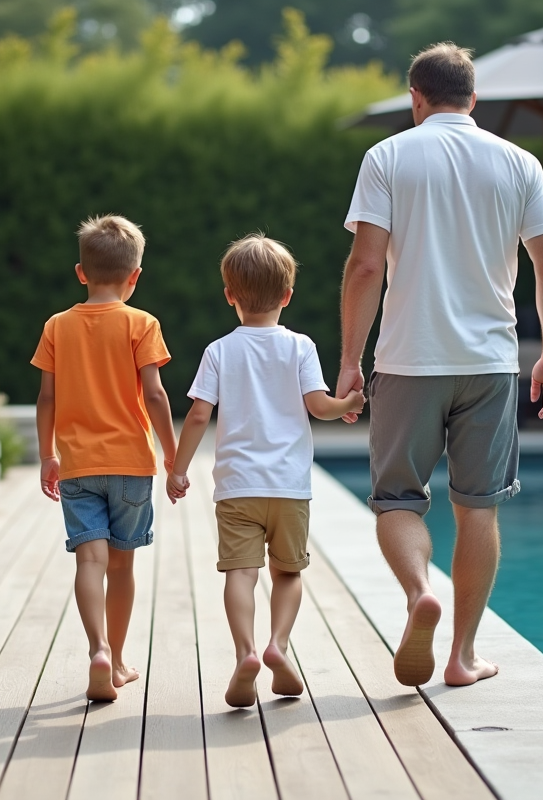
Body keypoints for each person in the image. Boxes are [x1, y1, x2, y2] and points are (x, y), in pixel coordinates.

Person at [336, 43, 543, 688]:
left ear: (416, 97)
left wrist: (350, 362)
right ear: (474, 98)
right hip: (491, 365)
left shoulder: (386, 157)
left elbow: (364, 266)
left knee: (397, 500)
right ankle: (463, 657)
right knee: (479, 509)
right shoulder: (519, 163)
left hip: (409, 359)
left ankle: (418, 594)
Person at [168, 234, 365, 708]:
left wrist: (178, 469)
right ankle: (278, 643)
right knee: (288, 574)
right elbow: (319, 407)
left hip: (237, 487)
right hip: (289, 488)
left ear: (230, 295)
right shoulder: (301, 347)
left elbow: (198, 415)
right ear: (287, 296)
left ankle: (245, 652)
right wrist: (349, 404)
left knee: (240, 572)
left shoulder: (219, 351)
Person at [32, 214, 178, 702]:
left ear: (80, 272)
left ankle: (95, 648)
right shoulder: (142, 323)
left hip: (78, 466)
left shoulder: (57, 326)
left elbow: (46, 398)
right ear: (135, 276)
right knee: (122, 567)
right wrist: (174, 456)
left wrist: (45, 454)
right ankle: (116, 659)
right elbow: (155, 396)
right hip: (132, 464)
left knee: (88, 563)